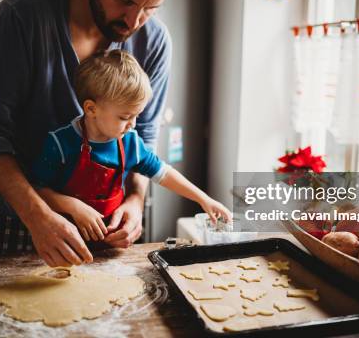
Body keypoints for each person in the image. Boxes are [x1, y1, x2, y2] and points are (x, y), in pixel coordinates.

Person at [0, 0, 177, 266]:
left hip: (103, 223)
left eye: (150, 8)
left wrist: (136, 201)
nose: (134, 22)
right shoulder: (22, 15)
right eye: (124, 0)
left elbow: (144, 137)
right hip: (16, 214)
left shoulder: (154, 41)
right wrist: (38, 216)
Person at [31, 50, 231, 266]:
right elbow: (37, 190)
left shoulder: (130, 142)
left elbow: (163, 173)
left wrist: (204, 199)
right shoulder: (61, 143)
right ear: (91, 109)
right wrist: (72, 206)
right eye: (125, 117)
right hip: (65, 248)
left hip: (111, 249)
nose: (133, 124)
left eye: (137, 116)